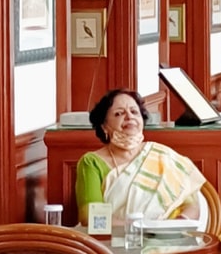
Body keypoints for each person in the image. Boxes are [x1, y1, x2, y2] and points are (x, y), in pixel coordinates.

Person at [75, 88, 208, 228]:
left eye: (134, 112)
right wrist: (138, 229)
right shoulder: (92, 162)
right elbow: (91, 218)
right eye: (119, 113)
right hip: (116, 243)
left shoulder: (162, 156)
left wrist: (173, 226)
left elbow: (192, 205)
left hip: (168, 238)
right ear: (104, 127)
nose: (129, 117)